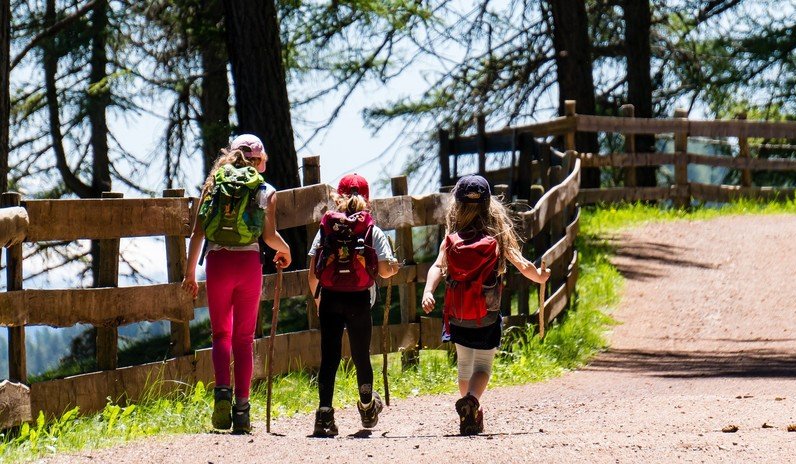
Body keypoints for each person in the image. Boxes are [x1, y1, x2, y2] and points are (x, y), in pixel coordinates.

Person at [421, 174, 549, 436]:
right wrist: (540, 276)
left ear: (456, 206)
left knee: (464, 365)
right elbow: (521, 264)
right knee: (483, 367)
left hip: (457, 316)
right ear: (489, 205)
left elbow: (437, 266)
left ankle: (469, 409)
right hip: (487, 316)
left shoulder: (452, 237)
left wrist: (428, 291)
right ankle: (472, 402)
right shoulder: (496, 235)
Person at [182, 134, 292, 434]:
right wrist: (286, 250)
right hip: (248, 266)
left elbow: (198, 234)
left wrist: (190, 273)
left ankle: (221, 394)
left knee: (221, 335)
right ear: (260, 161)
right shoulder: (265, 190)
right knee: (244, 339)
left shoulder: (213, 185)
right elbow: (268, 237)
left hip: (217, 263)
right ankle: (242, 410)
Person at [307, 173, 401, 437]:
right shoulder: (372, 229)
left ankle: (324, 416)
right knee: (361, 356)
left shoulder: (326, 229)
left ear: (338, 197)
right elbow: (383, 270)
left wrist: (318, 299)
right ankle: (368, 407)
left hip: (330, 298)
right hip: (359, 299)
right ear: (367, 198)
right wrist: (393, 268)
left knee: (330, 358)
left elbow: (313, 271)